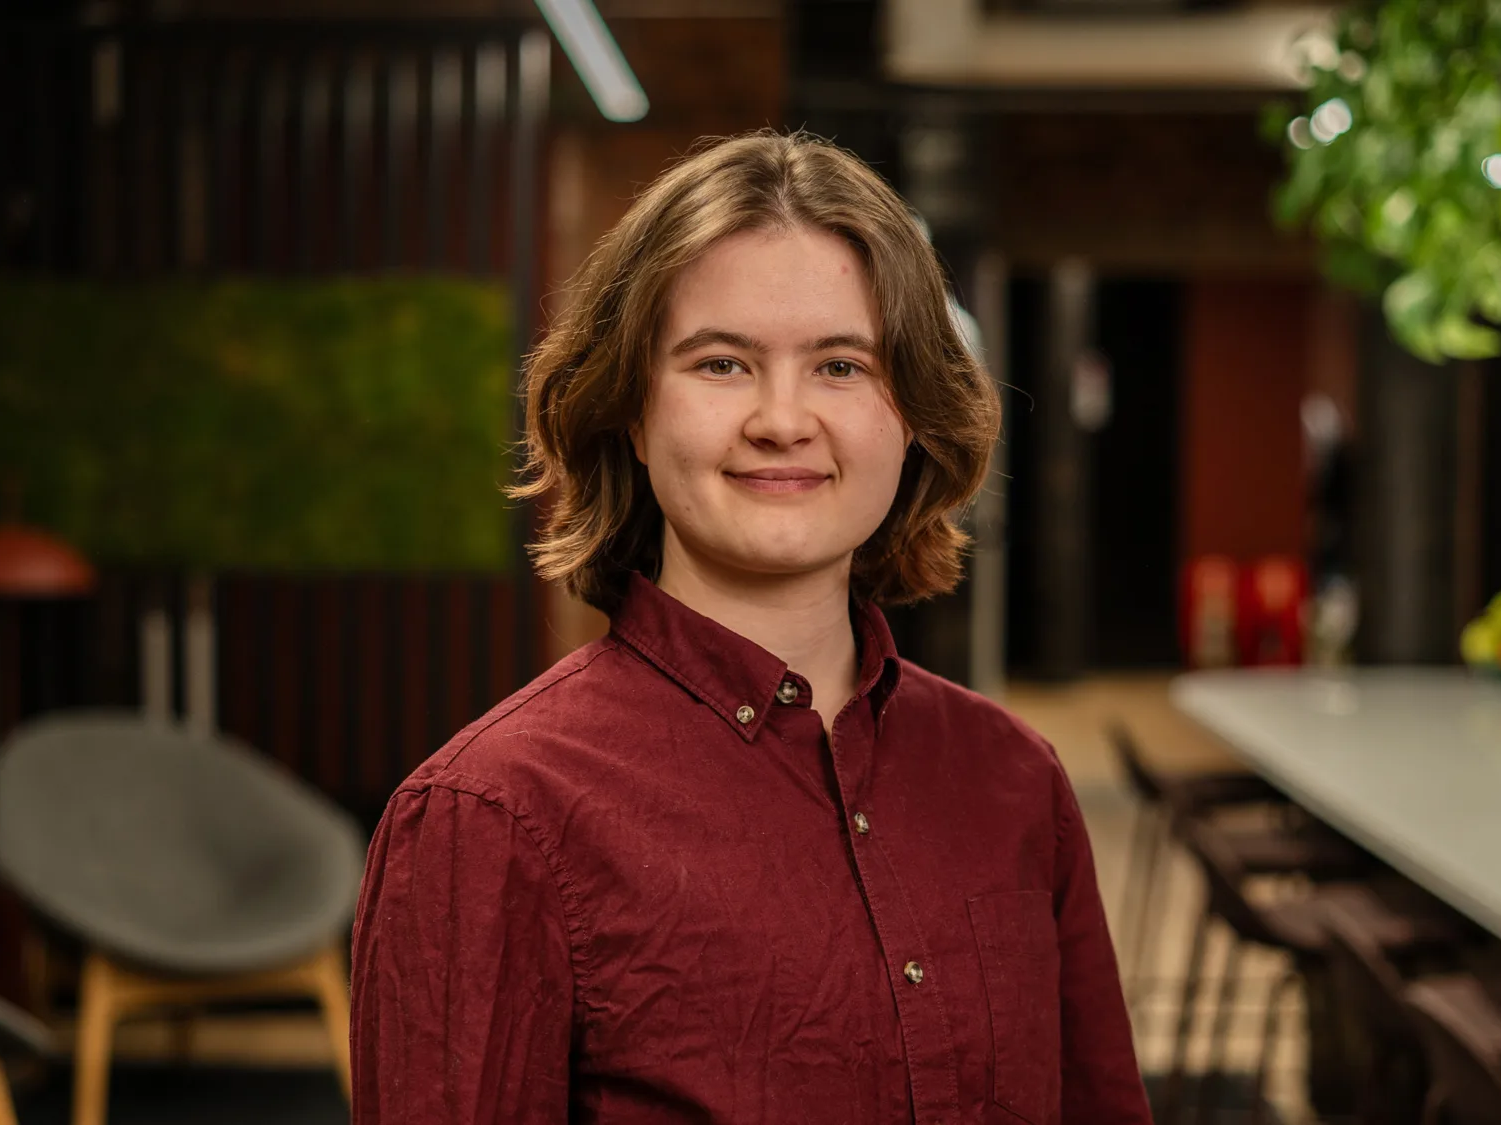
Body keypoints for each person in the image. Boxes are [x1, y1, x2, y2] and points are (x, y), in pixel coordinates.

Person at [350, 131, 1151, 1125]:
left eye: (841, 366)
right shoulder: (491, 819)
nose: (782, 418)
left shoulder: (1014, 781)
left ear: (911, 419)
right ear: (633, 414)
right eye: (721, 363)